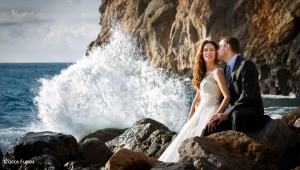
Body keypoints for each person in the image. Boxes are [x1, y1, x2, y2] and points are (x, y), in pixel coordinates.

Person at [158, 40, 230, 162]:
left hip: (211, 110)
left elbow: (227, 97)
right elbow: (197, 97)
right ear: (201, 53)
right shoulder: (204, 72)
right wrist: (190, 118)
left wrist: (216, 116)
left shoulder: (217, 72)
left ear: (216, 52)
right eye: (206, 50)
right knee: (185, 139)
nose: (209, 52)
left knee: (198, 143)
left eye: (212, 50)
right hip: (200, 110)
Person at [205, 36, 265, 136]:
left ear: (227, 47)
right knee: (209, 127)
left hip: (250, 111)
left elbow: (247, 95)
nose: (216, 51)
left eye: (218, 47)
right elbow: (223, 94)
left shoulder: (246, 64)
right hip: (232, 111)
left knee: (237, 115)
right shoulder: (224, 70)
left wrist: (227, 114)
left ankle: (238, 149)